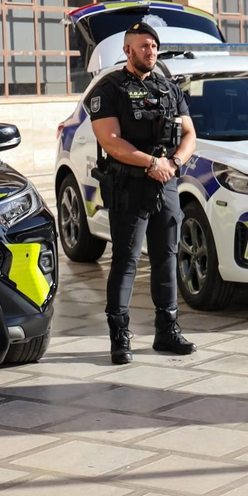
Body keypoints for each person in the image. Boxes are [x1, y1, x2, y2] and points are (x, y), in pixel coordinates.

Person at [89, 21, 198, 364]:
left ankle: (167, 331)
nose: (150, 51)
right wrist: (151, 163)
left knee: (167, 257)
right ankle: (119, 337)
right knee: (127, 260)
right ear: (127, 50)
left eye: (153, 46)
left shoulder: (169, 89)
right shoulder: (108, 89)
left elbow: (189, 133)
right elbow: (110, 141)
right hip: (129, 185)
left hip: (165, 183)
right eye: (143, 46)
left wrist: (175, 163)